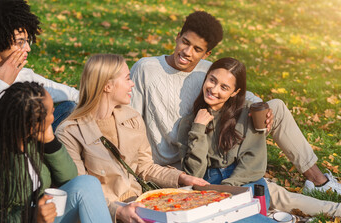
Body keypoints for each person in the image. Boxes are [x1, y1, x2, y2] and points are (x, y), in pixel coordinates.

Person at [130, 11, 340, 198]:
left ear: (206, 54)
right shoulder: (146, 68)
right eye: (185, 42)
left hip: (211, 148)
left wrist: (262, 109)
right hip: (179, 163)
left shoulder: (207, 70)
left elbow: (240, 93)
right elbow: (129, 119)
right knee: (268, 195)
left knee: (275, 106)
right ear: (177, 37)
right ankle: (255, 189)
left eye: (197, 49)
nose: (187, 52)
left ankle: (318, 181)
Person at [56, 54, 228, 223]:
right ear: (107, 86)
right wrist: (118, 212)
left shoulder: (131, 118)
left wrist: (182, 178)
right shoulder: (70, 132)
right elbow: (82, 193)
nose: (133, 84)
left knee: (207, 219)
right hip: (111, 217)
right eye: (128, 78)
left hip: (142, 202)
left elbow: (145, 167)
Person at [177, 57, 330, 223]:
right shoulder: (190, 123)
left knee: (216, 221)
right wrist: (198, 129)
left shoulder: (250, 114)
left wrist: (226, 192)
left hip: (247, 184)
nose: (214, 89)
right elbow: (194, 173)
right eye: (212, 80)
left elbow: (253, 164)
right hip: (211, 185)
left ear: (235, 92)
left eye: (224, 87)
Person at [0, 82, 115, 223]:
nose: (55, 113)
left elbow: (70, 178)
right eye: (51, 111)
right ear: (32, 125)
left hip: (40, 221)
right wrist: (29, 217)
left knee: (87, 183)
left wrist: (50, 142)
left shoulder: (35, 138)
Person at [0, 0, 78, 130]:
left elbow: (63, 92)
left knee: (70, 106)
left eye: (27, 41)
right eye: (20, 42)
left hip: (28, 142)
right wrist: (2, 84)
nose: (27, 48)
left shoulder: (22, 74)